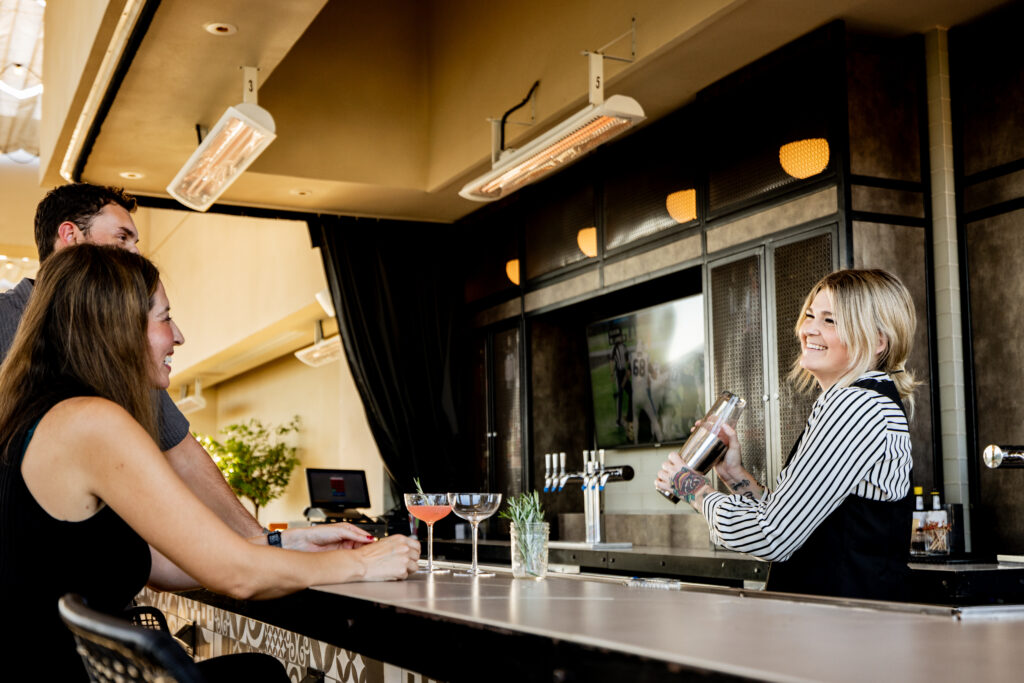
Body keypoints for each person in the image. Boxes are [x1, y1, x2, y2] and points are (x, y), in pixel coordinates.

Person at [0, 245, 421, 681]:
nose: (178, 336)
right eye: (165, 318)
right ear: (116, 327)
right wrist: (364, 564)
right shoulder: (92, 422)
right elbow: (237, 576)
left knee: (257, 671)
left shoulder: (43, 417)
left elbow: (161, 565)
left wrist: (287, 543)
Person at [1, 183, 372, 556]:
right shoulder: (8, 321)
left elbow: (181, 455)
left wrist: (265, 542)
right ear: (69, 236)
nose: (135, 252)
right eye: (122, 238)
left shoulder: (119, 355)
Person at [656, 269, 916, 600]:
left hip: (845, 623)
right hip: (839, 619)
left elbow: (772, 537)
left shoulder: (856, 404)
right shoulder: (857, 402)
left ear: (878, 341)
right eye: (810, 315)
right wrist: (734, 475)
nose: (808, 329)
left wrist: (691, 488)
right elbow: (791, 521)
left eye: (830, 320)